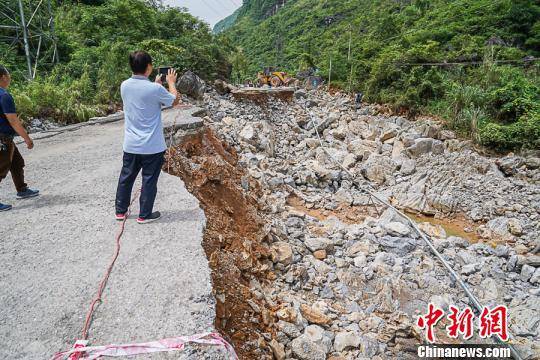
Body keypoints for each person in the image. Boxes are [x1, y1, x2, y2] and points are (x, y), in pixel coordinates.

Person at [115, 51, 180, 224]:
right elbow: (174, 101)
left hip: (131, 145)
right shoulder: (155, 89)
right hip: (152, 146)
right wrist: (171, 83)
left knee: (126, 177)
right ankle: (144, 215)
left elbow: (143, 96)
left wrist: (156, 84)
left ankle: (120, 211)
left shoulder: (124, 85)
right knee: (149, 180)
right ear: (149, 67)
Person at [0, 65, 39, 212]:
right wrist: (27, 139)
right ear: (3, 76)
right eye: (8, 75)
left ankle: (22, 189)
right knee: (1, 168)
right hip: (3, 139)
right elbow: (13, 120)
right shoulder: (4, 95)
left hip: (5, 138)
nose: (9, 78)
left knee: (17, 163)